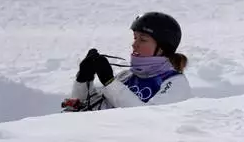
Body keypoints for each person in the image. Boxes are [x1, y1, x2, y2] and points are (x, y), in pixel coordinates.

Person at [63, 12, 192, 112]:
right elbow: (93, 111)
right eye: (135, 38)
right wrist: (83, 80)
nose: (134, 44)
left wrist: (110, 83)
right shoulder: (126, 76)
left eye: (143, 40)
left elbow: (148, 118)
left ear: (162, 48)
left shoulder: (175, 83)